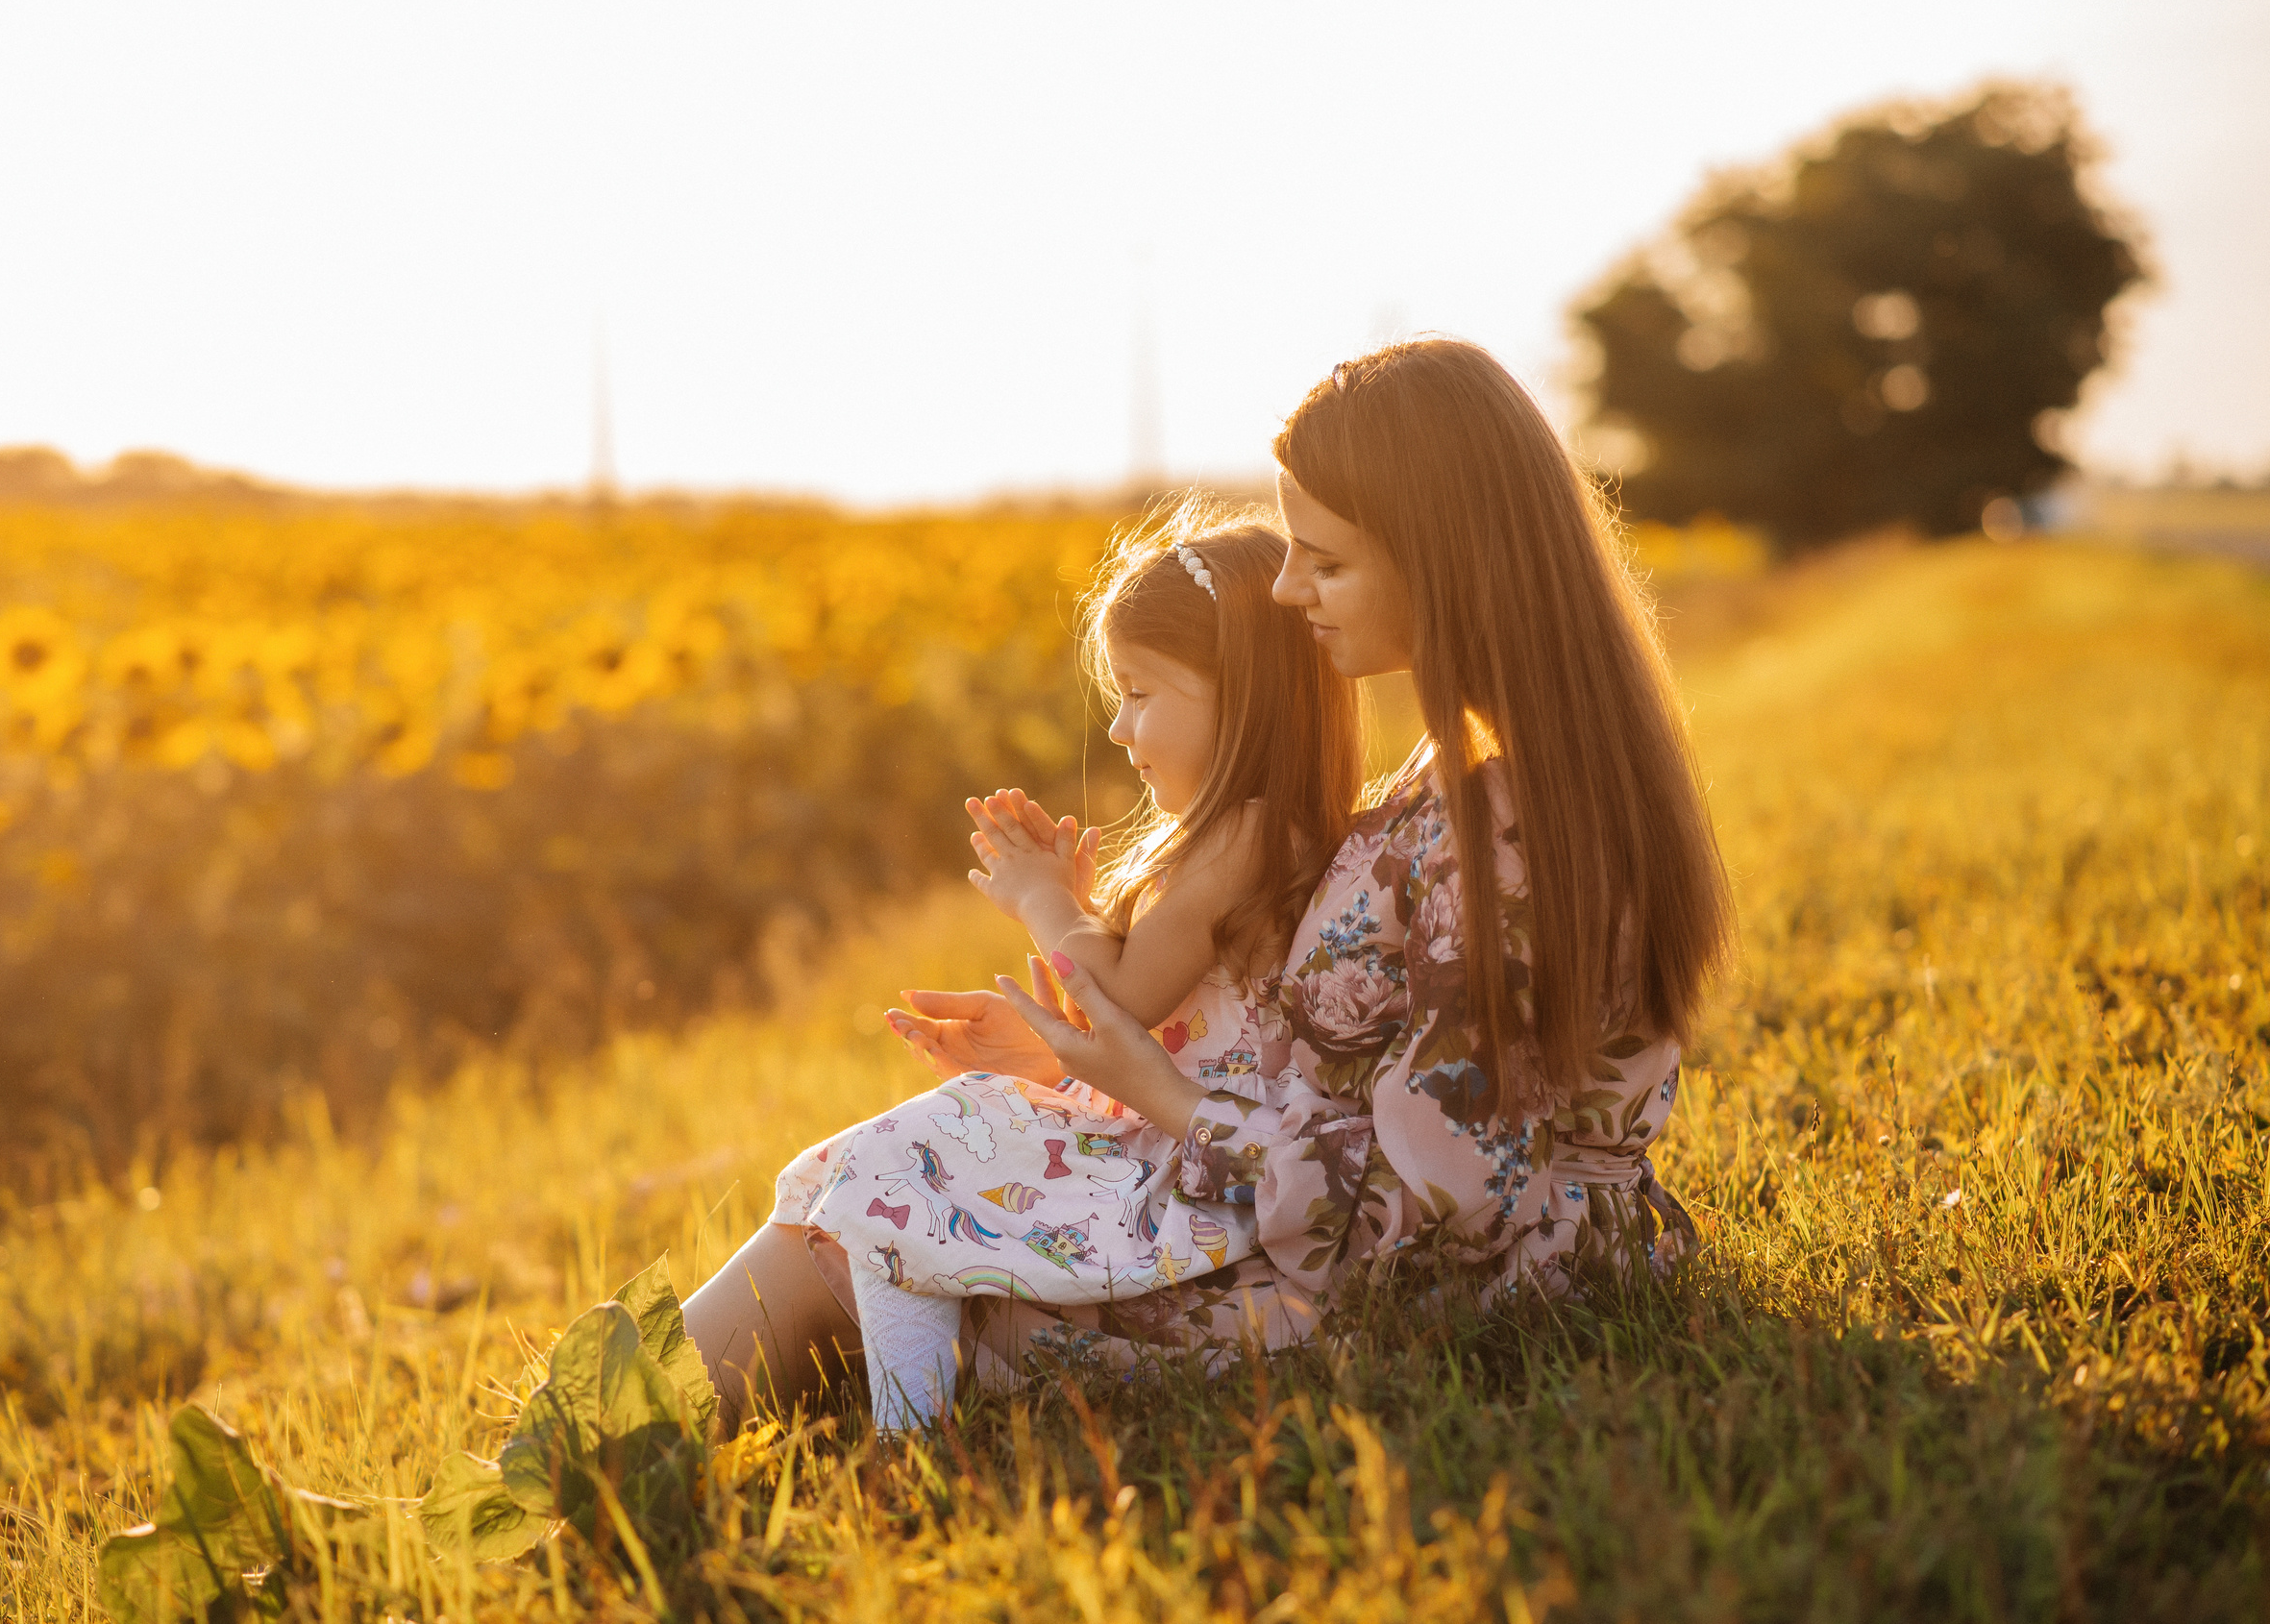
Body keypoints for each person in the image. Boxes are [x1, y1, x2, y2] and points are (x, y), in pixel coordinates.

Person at [680, 338, 1733, 1427]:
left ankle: (552, 1488)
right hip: (1346, 1235)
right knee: (880, 1204)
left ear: (1445, 559)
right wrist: (1071, 1059)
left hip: (1391, 1289)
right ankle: (563, 1463)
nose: (1286, 588)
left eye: (1325, 562)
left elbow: (1429, 1208)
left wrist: (1156, 1089)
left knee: (835, 1251)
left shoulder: (1500, 834)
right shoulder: (1489, 776)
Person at [758, 499, 1364, 1431]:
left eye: (1141, 692)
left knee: (929, 1144)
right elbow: (1140, 1016)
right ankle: (909, 1412)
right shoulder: (1249, 834)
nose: (1118, 728)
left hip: (1193, 1173)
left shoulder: (1247, 833)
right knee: (936, 1143)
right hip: (1183, 1143)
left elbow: (1116, 1001)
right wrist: (1081, 930)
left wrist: (1050, 904)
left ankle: (913, 1427)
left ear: (1244, 694)